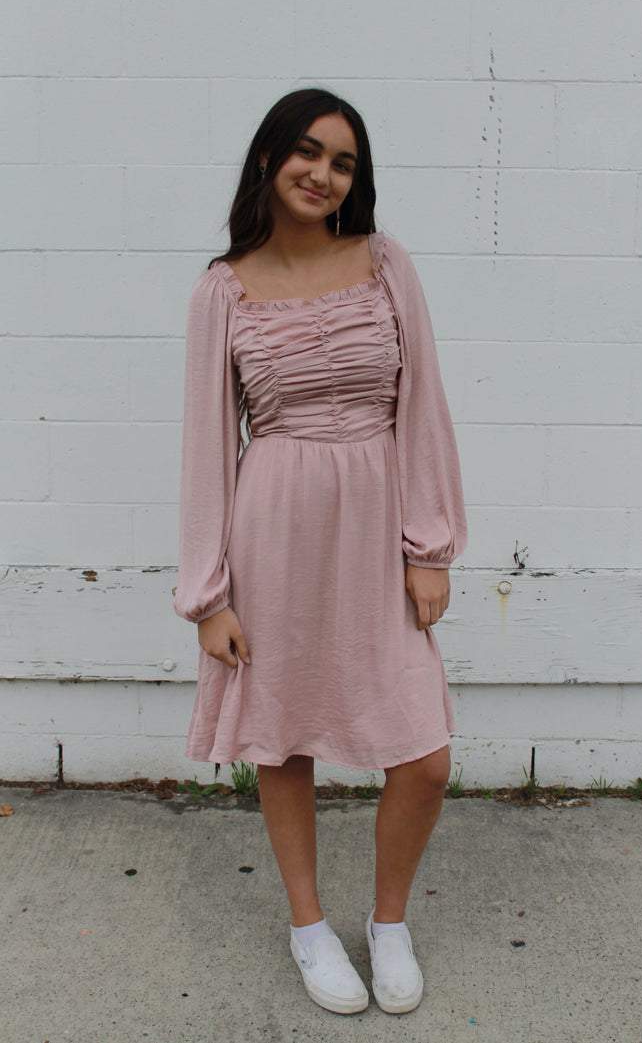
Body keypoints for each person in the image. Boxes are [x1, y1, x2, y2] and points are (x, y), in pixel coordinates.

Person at [174, 88, 467, 1016]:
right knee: (283, 729)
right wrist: (208, 595)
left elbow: (422, 403)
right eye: (306, 151)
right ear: (267, 159)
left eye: (342, 161)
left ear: (355, 181)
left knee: (422, 754)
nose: (322, 172)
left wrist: (431, 546)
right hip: (275, 526)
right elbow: (204, 445)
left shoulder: (384, 263)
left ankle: (388, 923)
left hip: (378, 526)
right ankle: (308, 926)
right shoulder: (222, 287)